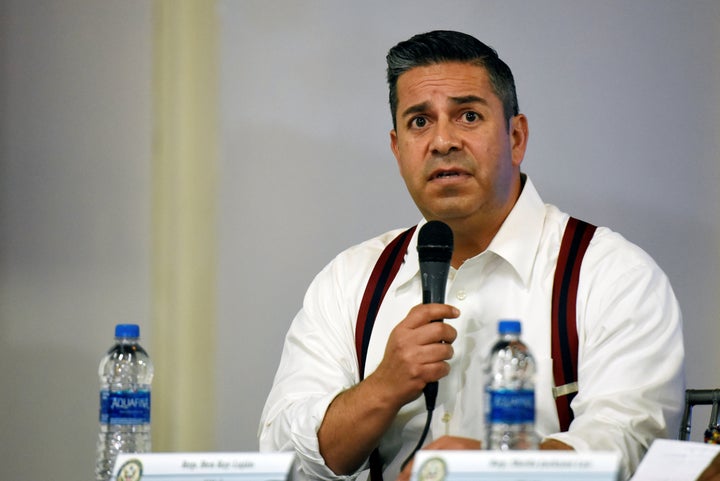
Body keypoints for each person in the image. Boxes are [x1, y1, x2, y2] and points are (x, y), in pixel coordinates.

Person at [258, 30, 685, 481]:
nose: (442, 141)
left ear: (516, 137)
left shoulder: (612, 275)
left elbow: (628, 446)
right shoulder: (351, 281)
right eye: (419, 122)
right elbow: (284, 463)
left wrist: (484, 470)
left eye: (467, 116)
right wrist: (382, 387)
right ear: (397, 148)